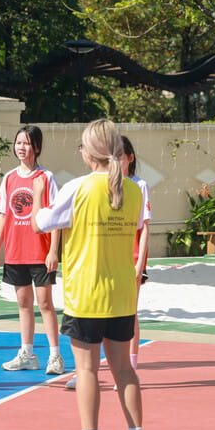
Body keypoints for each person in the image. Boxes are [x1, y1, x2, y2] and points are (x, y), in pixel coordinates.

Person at [31, 119, 148, 430]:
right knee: (124, 369)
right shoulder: (134, 190)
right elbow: (135, 225)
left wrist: (38, 197)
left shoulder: (78, 187)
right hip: (121, 293)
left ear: (89, 152)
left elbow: (40, 223)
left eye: (82, 146)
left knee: (87, 371)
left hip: (87, 293)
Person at [66, 135, 150, 390]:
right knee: (95, 315)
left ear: (130, 158)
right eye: (114, 155)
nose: (117, 160)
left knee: (128, 314)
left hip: (128, 258)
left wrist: (140, 263)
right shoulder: (94, 184)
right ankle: (85, 371)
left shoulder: (137, 186)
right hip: (99, 259)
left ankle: (129, 367)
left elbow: (144, 226)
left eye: (121, 156)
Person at [0, 125, 63, 374]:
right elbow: (3, 215)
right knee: (23, 303)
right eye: (18, 142)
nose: (21, 147)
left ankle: (55, 356)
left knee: (45, 303)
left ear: (37, 147)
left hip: (40, 251)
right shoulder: (9, 178)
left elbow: (55, 218)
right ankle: (27, 354)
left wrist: (53, 251)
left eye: (27, 143)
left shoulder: (46, 177)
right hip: (15, 251)